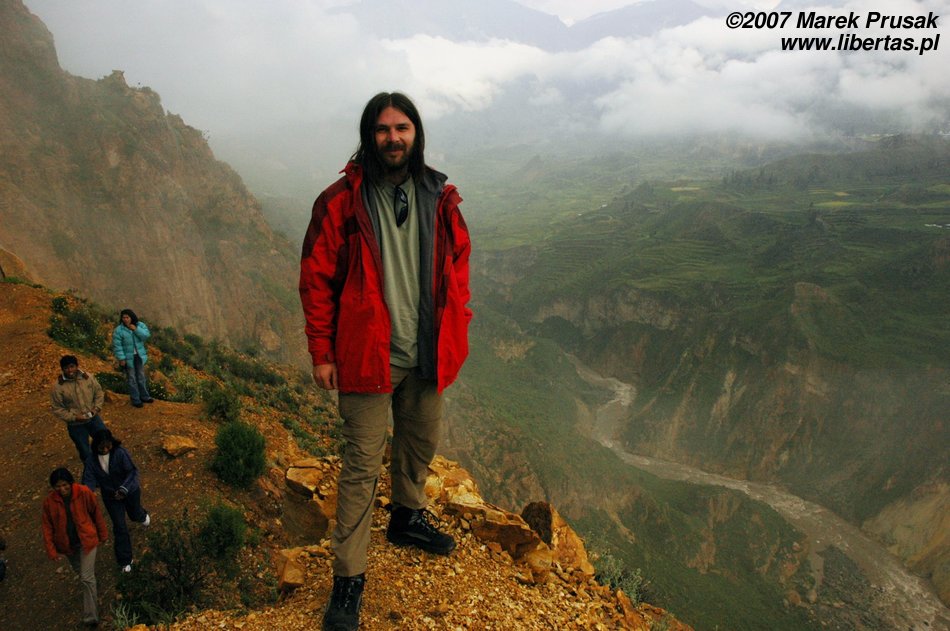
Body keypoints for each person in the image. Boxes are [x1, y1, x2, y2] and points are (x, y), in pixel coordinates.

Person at [299, 92, 472, 631]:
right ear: (368, 136)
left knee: (419, 443)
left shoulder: (439, 198)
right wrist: (322, 352)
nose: (392, 138)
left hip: (425, 351)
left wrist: (457, 324)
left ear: (416, 134)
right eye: (382, 129)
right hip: (366, 356)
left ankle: (406, 517)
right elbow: (315, 280)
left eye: (402, 128)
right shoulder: (341, 202)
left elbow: (458, 267)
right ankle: (348, 580)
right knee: (360, 467)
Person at [41, 467, 109, 627]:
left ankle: (91, 617)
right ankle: (92, 589)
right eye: (58, 486)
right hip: (68, 546)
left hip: (87, 541)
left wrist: (102, 534)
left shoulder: (83, 493)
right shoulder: (49, 502)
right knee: (83, 574)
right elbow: (47, 527)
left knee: (86, 578)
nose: (62, 489)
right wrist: (51, 549)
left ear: (71, 483)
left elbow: (96, 513)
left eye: (65, 485)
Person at [82, 429, 150, 572]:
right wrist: (88, 493)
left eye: (108, 446)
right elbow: (89, 479)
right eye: (102, 447)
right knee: (119, 526)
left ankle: (142, 515)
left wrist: (124, 489)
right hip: (111, 497)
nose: (105, 450)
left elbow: (132, 472)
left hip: (129, 492)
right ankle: (125, 560)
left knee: (134, 514)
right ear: (96, 446)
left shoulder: (120, 453)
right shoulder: (91, 461)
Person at [51, 355, 108, 462]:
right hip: (76, 425)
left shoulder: (88, 378)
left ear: (77, 366)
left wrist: (96, 408)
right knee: (85, 452)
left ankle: (108, 465)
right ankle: (91, 470)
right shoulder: (58, 387)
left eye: (72, 366)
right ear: (62, 369)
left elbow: (99, 393)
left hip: (93, 418)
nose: (70, 370)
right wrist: (74, 417)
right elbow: (57, 408)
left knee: (104, 442)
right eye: (66, 368)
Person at [112, 308, 153, 408]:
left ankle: (145, 397)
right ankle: (135, 399)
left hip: (139, 356)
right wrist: (121, 358)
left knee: (141, 377)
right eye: (123, 317)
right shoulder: (119, 330)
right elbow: (117, 346)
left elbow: (146, 336)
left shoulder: (140, 325)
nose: (125, 319)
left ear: (132, 317)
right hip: (128, 358)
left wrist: (135, 329)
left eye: (127, 317)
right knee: (132, 378)